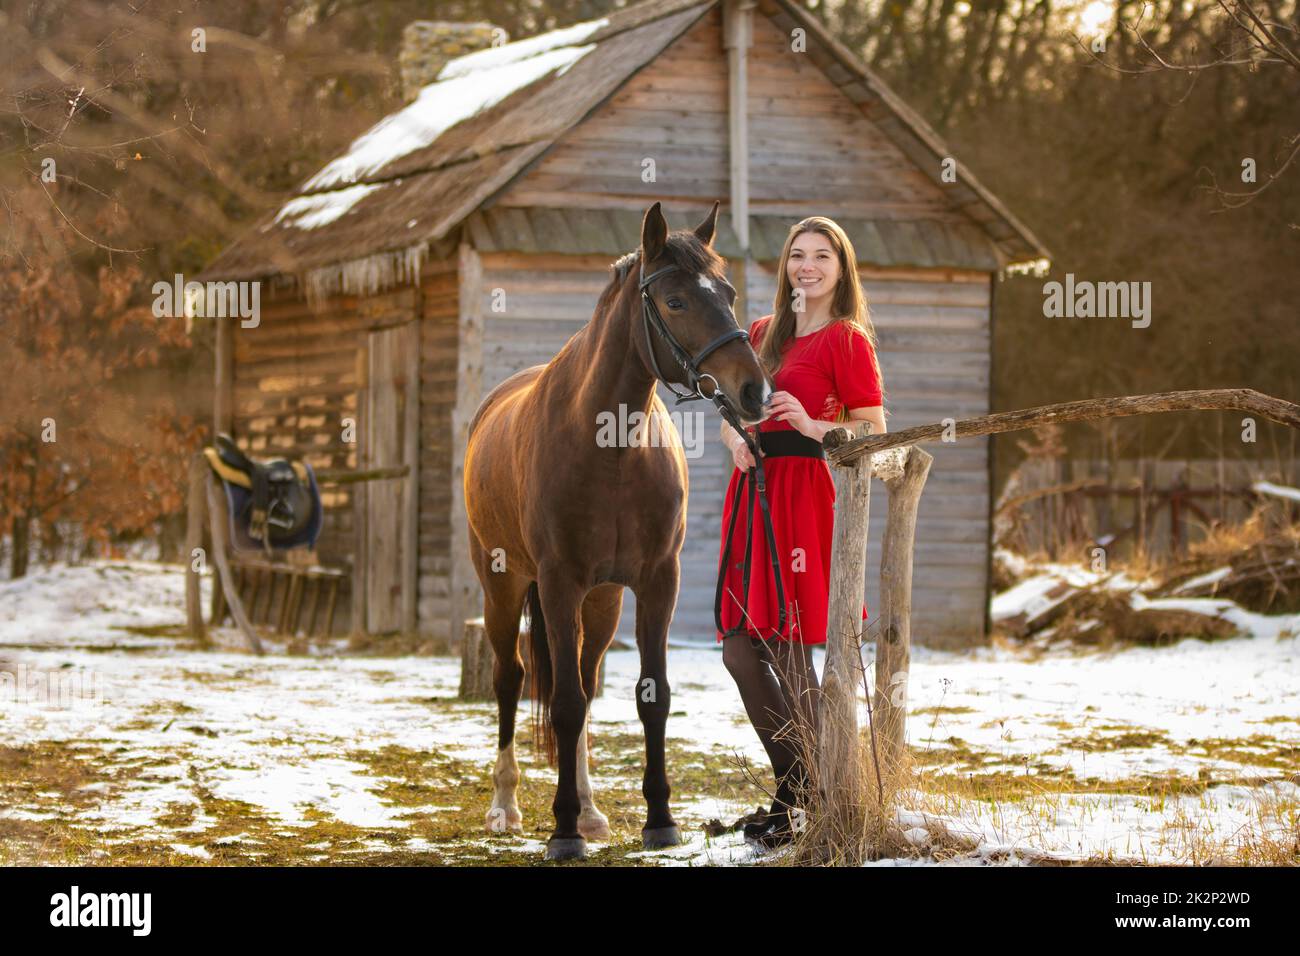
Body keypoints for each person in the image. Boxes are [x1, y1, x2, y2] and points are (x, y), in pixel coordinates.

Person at [717, 216, 887, 848]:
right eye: (797, 255)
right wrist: (737, 437)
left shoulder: (847, 340)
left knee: (790, 649)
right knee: (739, 647)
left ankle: (801, 802)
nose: (806, 266)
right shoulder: (761, 334)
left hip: (806, 493)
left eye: (821, 256)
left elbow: (872, 430)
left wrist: (816, 427)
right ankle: (799, 785)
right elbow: (736, 411)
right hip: (754, 491)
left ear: (841, 269)